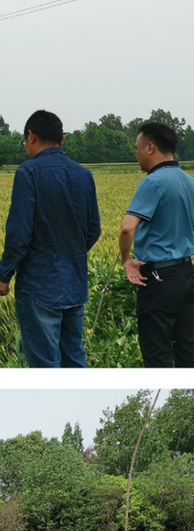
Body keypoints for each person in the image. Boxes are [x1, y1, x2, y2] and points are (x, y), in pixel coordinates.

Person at [0, 110, 101, 367]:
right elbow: (94, 229)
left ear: (30, 136)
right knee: (74, 359)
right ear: (62, 139)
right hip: (75, 284)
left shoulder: (28, 172)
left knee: (45, 366)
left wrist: (4, 276)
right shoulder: (84, 174)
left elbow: (19, 233)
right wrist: (70, 253)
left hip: (39, 285)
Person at [118, 122, 194, 367]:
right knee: (188, 348)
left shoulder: (153, 182)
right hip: (186, 273)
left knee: (157, 351)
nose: (135, 152)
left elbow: (127, 227)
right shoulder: (188, 180)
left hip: (159, 277)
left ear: (150, 147)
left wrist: (126, 261)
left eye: (137, 147)